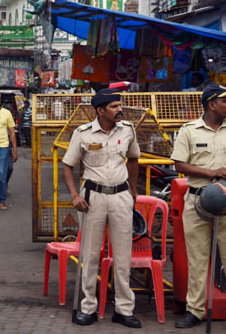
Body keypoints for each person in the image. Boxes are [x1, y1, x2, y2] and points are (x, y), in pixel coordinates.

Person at [170, 84, 226, 333]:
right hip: (197, 202)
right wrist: (210, 173)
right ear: (211, 104)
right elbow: (180, 165)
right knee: (197, 260)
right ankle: (194, 311)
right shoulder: (188, 131)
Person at [61, 88, 141, 328]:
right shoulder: (83, 133)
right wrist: (74, 195)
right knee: (90, 254)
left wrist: (133, 191)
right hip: (92, 198)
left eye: (120, 105)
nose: (120, 110)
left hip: (120, 195)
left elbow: (134, 158)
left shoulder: (127, 129)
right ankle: (88, 307)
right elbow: (67, 165)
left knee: (123, 255)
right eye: (114, 106)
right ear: (100, 110)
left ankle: (124, 309)